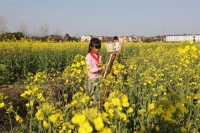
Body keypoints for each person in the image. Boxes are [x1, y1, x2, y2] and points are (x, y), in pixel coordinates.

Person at [85, 38, 102, 106]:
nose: (97, 50)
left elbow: (100, 67)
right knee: (90, 96)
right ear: (91, 47)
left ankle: (96, 108)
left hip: (98, 78)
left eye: (98, 48)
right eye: (95, 48)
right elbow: (90, 70)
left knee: (97, 96)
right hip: (91, 79)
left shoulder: (100, 56)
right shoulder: (88, 56)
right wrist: (99, 67)